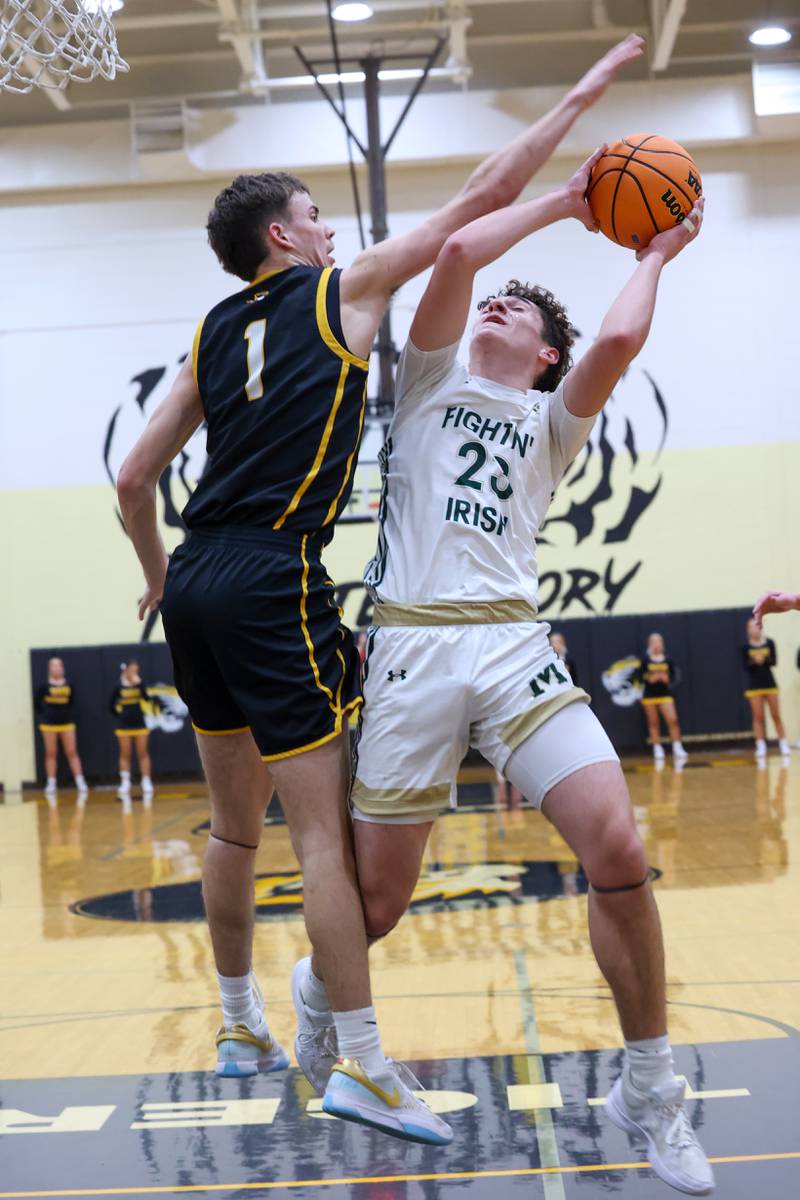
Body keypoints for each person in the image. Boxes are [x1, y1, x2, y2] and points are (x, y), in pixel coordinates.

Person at [116, 32, 645, 1146]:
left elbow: (132, 478)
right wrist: (581, 110)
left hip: (197, 574)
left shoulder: (209, 333)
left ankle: (239, 1024)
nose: (329, 230)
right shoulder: (338, 293)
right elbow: (475, 203)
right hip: (273, 573)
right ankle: (359, 1060)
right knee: (320, 839)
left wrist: (159, 576)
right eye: (315, 216)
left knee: (231, 830)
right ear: (283, 237)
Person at [294, 154, 713, 1192]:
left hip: (513, 644)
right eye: (496, 300)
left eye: (518, 308)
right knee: (377, 908)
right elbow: (450, 255)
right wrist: (567, 202)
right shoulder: (429, 382)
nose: (496, 304)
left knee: (618, 848)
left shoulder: (552, 421)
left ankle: (650, 1087)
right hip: (410, 647)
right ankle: (316, 985)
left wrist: (657, 252)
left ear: (545, 354)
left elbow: (616, 342)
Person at [35, 656, 88, 803]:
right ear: (49, 669)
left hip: (66, 723)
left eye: (59, 665)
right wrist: (46, 714)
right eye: (54, 665)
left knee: (72, 752)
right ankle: (51, 783)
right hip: (49, 724)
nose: (57, 668)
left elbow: (72, 702)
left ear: (62, 668)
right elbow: (37, 703)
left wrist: (67, 715)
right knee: (51, 753)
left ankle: (80, 782)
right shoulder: (44, 685)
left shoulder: (69, 684)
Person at [742, 618, 791, 762]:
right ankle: (760, 746)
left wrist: (764, 659)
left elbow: (774, 661)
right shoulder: (745, 647)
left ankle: (783, 744)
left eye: (757, 626)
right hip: (754, 686)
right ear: (748, 630)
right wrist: (754, 661)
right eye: (752, 627)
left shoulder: (770, 643)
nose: (755, 629)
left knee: (776, 715)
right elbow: (745, 666)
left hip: (770, 684)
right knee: (758, 717)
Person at [638, 632, 688, 767]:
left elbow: (675, 677)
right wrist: (650, 678)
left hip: (665, 694)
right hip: (650, 695)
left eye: (658, 641)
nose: (656, 644)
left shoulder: (668, 660)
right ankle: (657, 748)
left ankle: (677, 747)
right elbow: (639, 677)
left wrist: (667, 679)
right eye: (653, 642)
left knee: (673, 720)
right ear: (650, 644)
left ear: (662, 644)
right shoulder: (645, 660)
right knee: (653, 722)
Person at [110, 659, 157, 805]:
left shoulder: (139, 683)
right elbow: (111, 705)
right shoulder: (118, 685)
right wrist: (121, 716)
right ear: (126, 670)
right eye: (132, 670)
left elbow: (147, 698)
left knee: (143, 753)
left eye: (136, 670)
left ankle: (146, 781)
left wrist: (140, 684)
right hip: (124, 725)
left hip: (139, 723)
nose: (134, 673)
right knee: (125, 754)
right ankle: (125, 782)